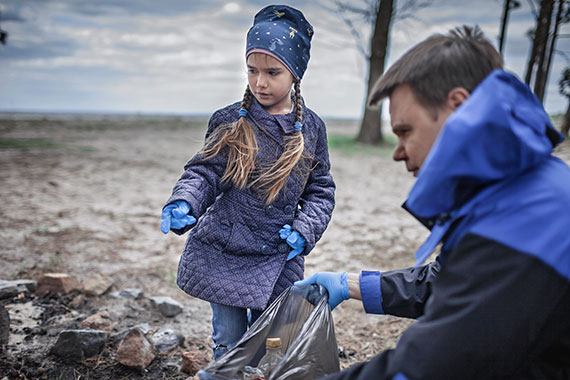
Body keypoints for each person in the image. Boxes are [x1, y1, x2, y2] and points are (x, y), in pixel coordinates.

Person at [296, 26, 570, 380]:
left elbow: (432, 367)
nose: (397, 153)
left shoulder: (531, 217)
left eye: (405, 131)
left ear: (457, 106)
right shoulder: (521, 188)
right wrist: (349, 284)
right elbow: (455, 282)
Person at [160, 4, 335, 360]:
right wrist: (185, 201)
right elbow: (204, 171)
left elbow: (321, 191)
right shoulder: (229, 121)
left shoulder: (312, 129)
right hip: (224, 248)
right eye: (252, 70)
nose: (260, 82)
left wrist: (304, 230)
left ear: (295, 73)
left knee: (268, 341)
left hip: (278, 253)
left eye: (272, 72)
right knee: (228, 339)